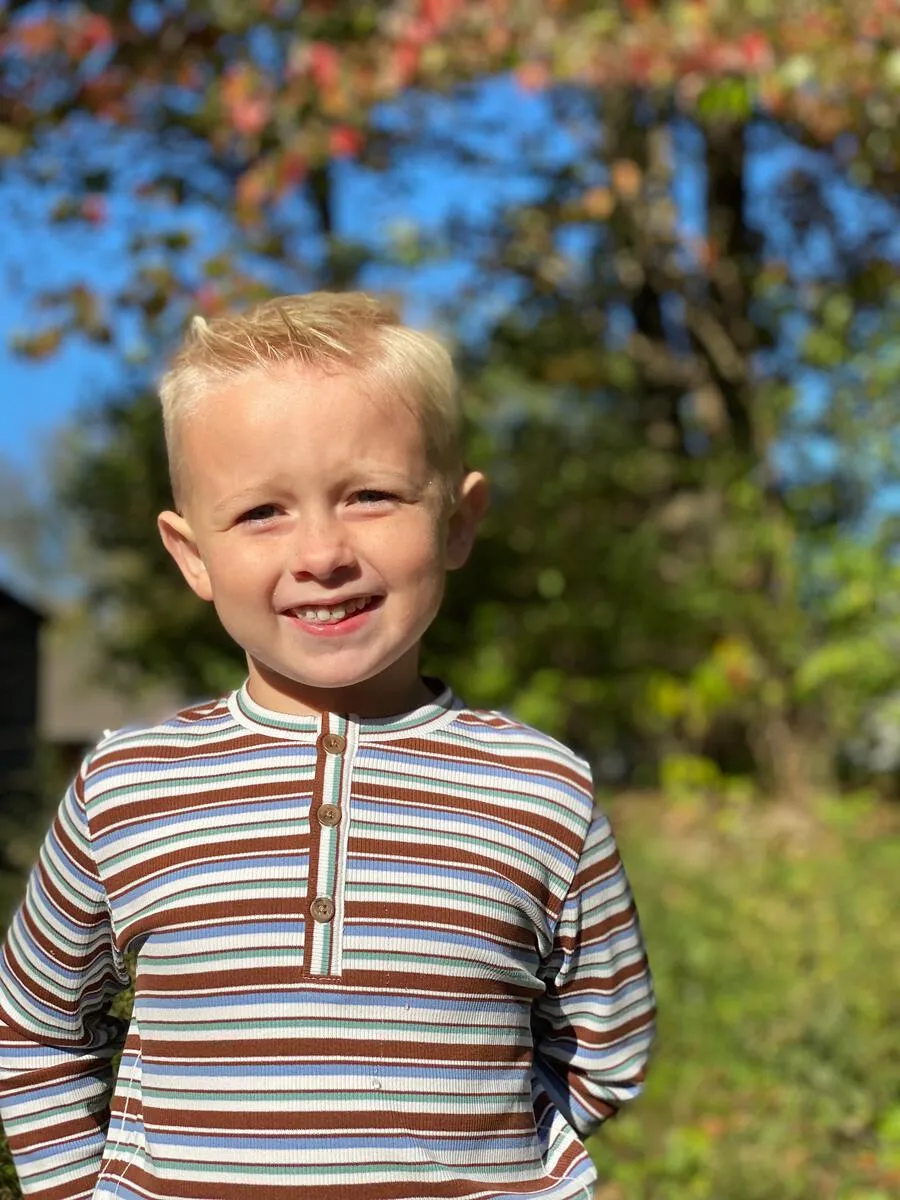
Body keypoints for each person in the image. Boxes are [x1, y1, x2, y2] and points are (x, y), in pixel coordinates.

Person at [0, 292, 655, 1200]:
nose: (321, 552)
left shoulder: (541, 790)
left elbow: (605, 1044)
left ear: (458, 521)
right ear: (192, 557)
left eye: (370, 496)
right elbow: (33, 1026)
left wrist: (495, 1163)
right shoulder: (128, 789)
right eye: (262, 512)